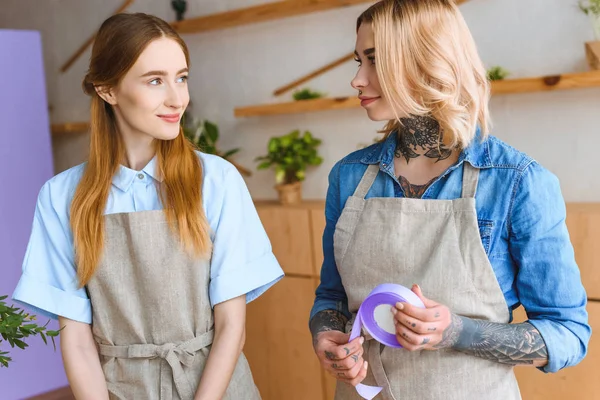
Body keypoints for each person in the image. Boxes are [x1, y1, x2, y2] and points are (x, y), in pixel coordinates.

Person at [309, 1, 591, 399]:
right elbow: (332, 296)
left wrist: (458, 332)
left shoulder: (517, 182)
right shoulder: (349, 177)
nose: (357, 79)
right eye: (358, 61)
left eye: (374, 60)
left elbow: (568, 334)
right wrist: (326, 334)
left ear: (426, 61)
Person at [12, 12, 283, 400]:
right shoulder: (60, 197)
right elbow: (76, 341)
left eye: (182, 77)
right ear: (108, 90)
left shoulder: (217, 181)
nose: (177, 99)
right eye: (155, 80)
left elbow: (231, 329)